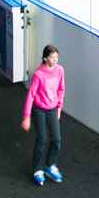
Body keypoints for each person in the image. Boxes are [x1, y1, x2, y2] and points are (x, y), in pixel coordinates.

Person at [21, 45, 66, 185]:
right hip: (39, 110)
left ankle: (50, 165)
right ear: (45, 58)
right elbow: (31, 95)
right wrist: (26, 116)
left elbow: (61, 89)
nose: (55, 60)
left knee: (57, 139)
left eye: (56, 57)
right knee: (42, 139)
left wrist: (59, 108)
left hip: (52, 109)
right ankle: (37, 169)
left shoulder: (60, 70)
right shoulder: (39, 74)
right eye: (52, 57)